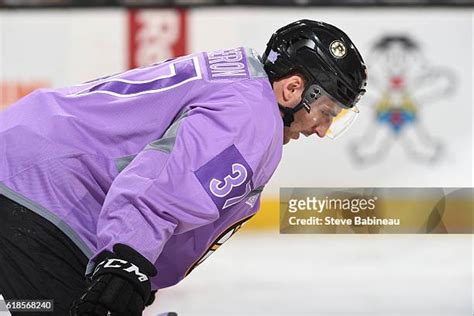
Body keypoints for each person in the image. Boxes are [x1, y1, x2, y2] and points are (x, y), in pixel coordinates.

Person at [0, 19, 367, 315]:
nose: (321, 130)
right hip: (45, 195)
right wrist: (125, 265)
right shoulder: (253, 120)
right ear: (293, 89)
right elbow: (159, 191)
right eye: (326, 114)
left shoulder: (241, 75)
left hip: (29, 166)